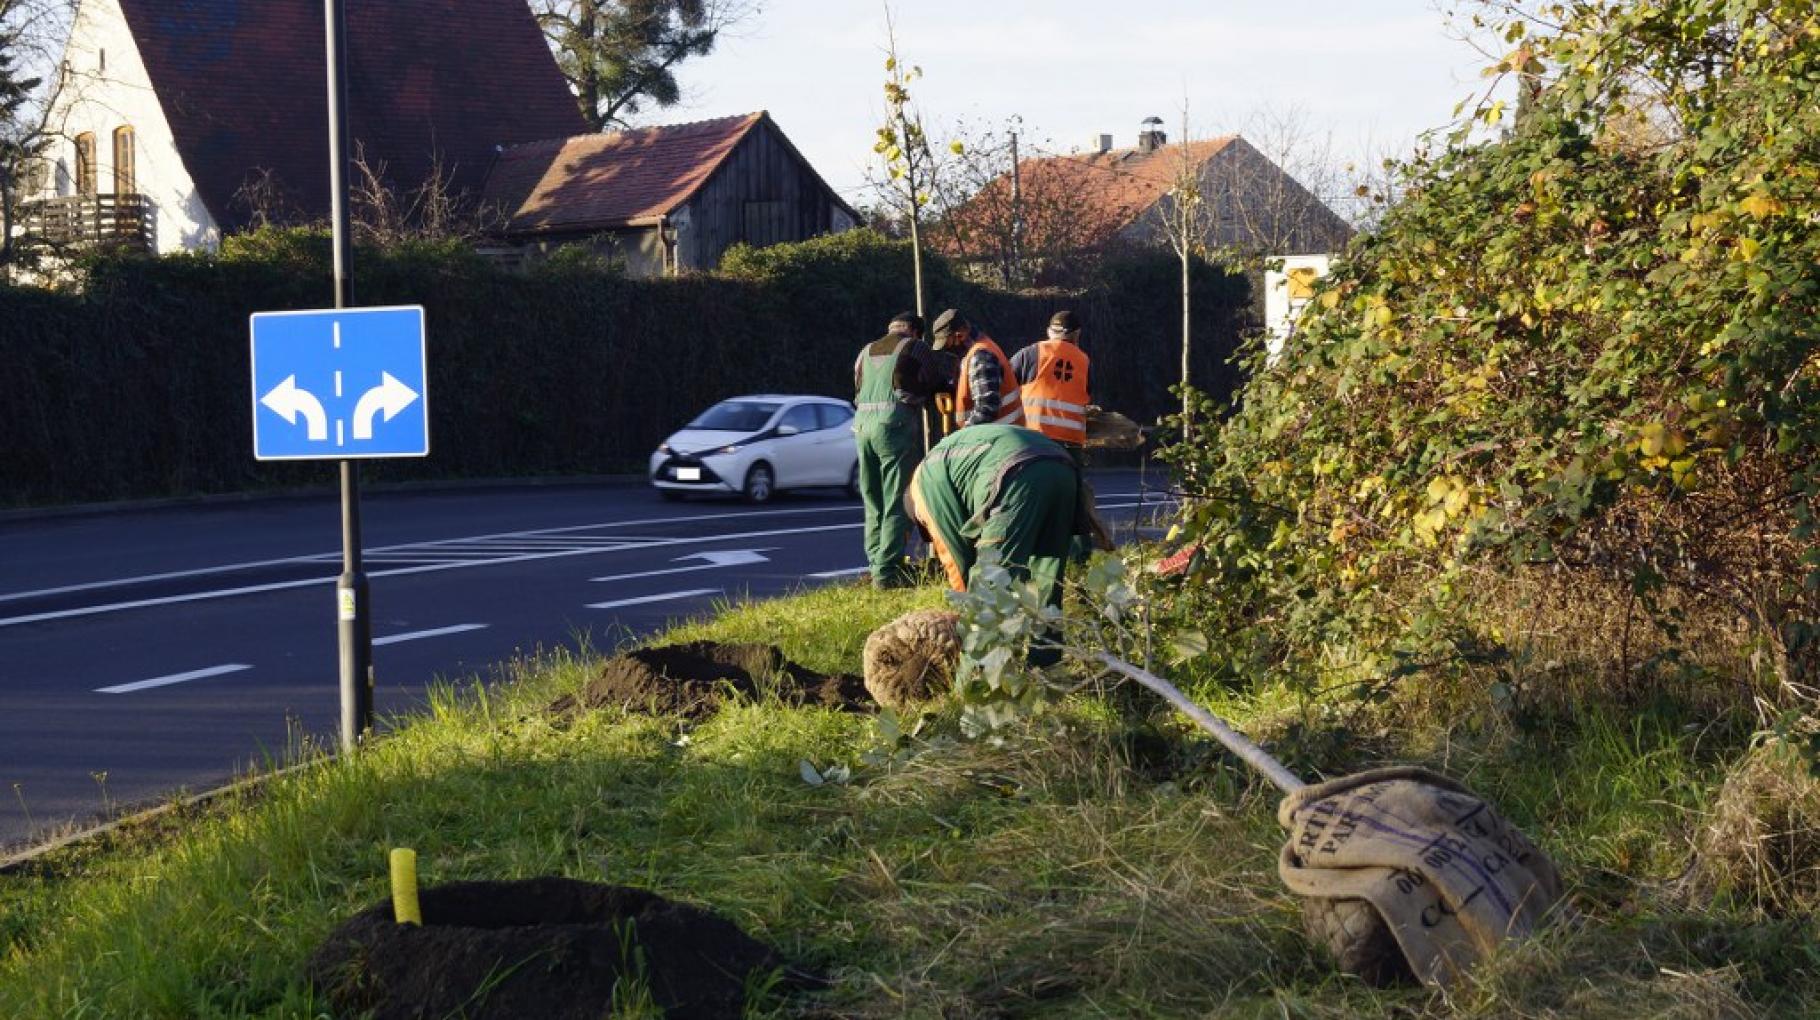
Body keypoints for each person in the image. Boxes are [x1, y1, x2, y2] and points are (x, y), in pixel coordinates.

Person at [906, 423, 1087, 618]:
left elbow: (957, 562)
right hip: (1061, 465)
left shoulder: (924, 485)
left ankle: (987, 647)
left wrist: (968, 612)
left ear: (917, 511)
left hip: (1016, 472)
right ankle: (1045, 647)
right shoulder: (946, 457)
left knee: (990, 582)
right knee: (1046, 580)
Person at [853, 311, 946, 588]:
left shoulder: (865, 351)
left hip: (861, 427)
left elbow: (857, 388)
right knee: (897, 498)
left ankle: (874, 563)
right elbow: (935, 380)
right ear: (916, 332)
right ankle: (886, 572)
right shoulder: (915, 347)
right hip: (894, 427)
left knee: (873, 499)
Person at [1011, 310, 1091, 460]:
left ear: (1049, 331)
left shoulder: (1030, 353)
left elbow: (1004, 383)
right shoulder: (1084, 361)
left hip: (1034, 438)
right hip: (1071, 443)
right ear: (1077, 334)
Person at [932, 307, 1023, 430]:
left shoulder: (981, 356)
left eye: (947, 343)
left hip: (997, 438)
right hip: (1002, 434)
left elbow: (986, 409)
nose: (947, 349)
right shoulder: (975, 352)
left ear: (960, 335)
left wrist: (962, 436)